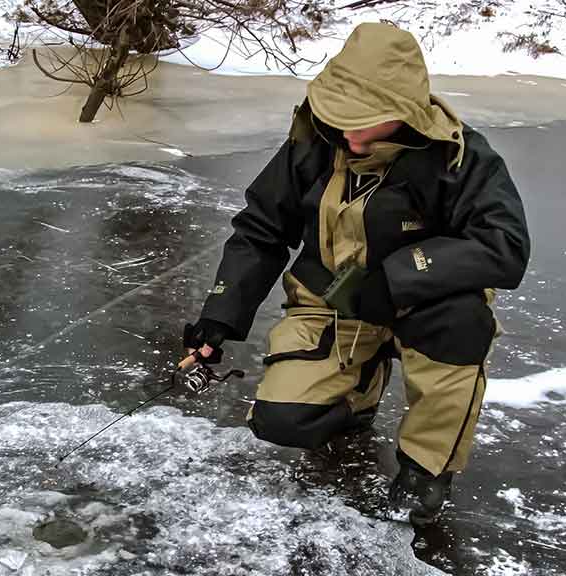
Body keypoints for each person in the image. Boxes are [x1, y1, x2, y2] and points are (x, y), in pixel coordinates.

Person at [181, 22, 530, 527]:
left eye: (363, 121)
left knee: (463, 324)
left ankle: (426, 469)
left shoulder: (463, 157)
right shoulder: (314, 143)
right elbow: (261, 229)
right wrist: (220, 316)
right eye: (340, 116)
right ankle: (359, 390)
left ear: (403, 113)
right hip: (334, 303)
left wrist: (398, 278)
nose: (348, 133)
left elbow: (506, 247)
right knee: (281, 419)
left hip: (425, 305)